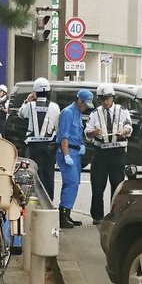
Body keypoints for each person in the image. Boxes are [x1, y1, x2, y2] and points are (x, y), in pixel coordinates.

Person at [85, 83, 132, 225]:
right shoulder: (95, 113)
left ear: (113, 97)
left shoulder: (122, 111)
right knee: (97, 185)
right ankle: (97, 216)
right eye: (102, 99)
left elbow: (129, 126)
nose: (105, 102)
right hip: (101, 152)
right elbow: (87, 132)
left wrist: (123, 131)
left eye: (107, 98)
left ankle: (115, 214)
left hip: (117, 152)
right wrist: (94, 132)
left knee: (117, 185)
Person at [55, 89, 94, 228]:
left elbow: (77, 133)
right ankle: (63, 215)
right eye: (85, 104)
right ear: (79, 100)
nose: (86, 107)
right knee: (71, 182)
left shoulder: (78, 113)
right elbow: (64, 136)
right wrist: (66, 155)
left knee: (74, 184)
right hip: (68, 150)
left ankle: (67, 213)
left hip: (76, 151)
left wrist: (82, 144)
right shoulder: (68, 113)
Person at [19, 77, 60, 200]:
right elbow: (57, 126)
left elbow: (21, 114)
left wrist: (26, 100)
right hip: (48, 146)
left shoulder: (29, 106)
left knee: (33, 173)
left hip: (33, 146)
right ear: (48, 92)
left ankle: (33, 199)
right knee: (48, 174)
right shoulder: (54, 107)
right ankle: (48, 200)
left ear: (35, 92)